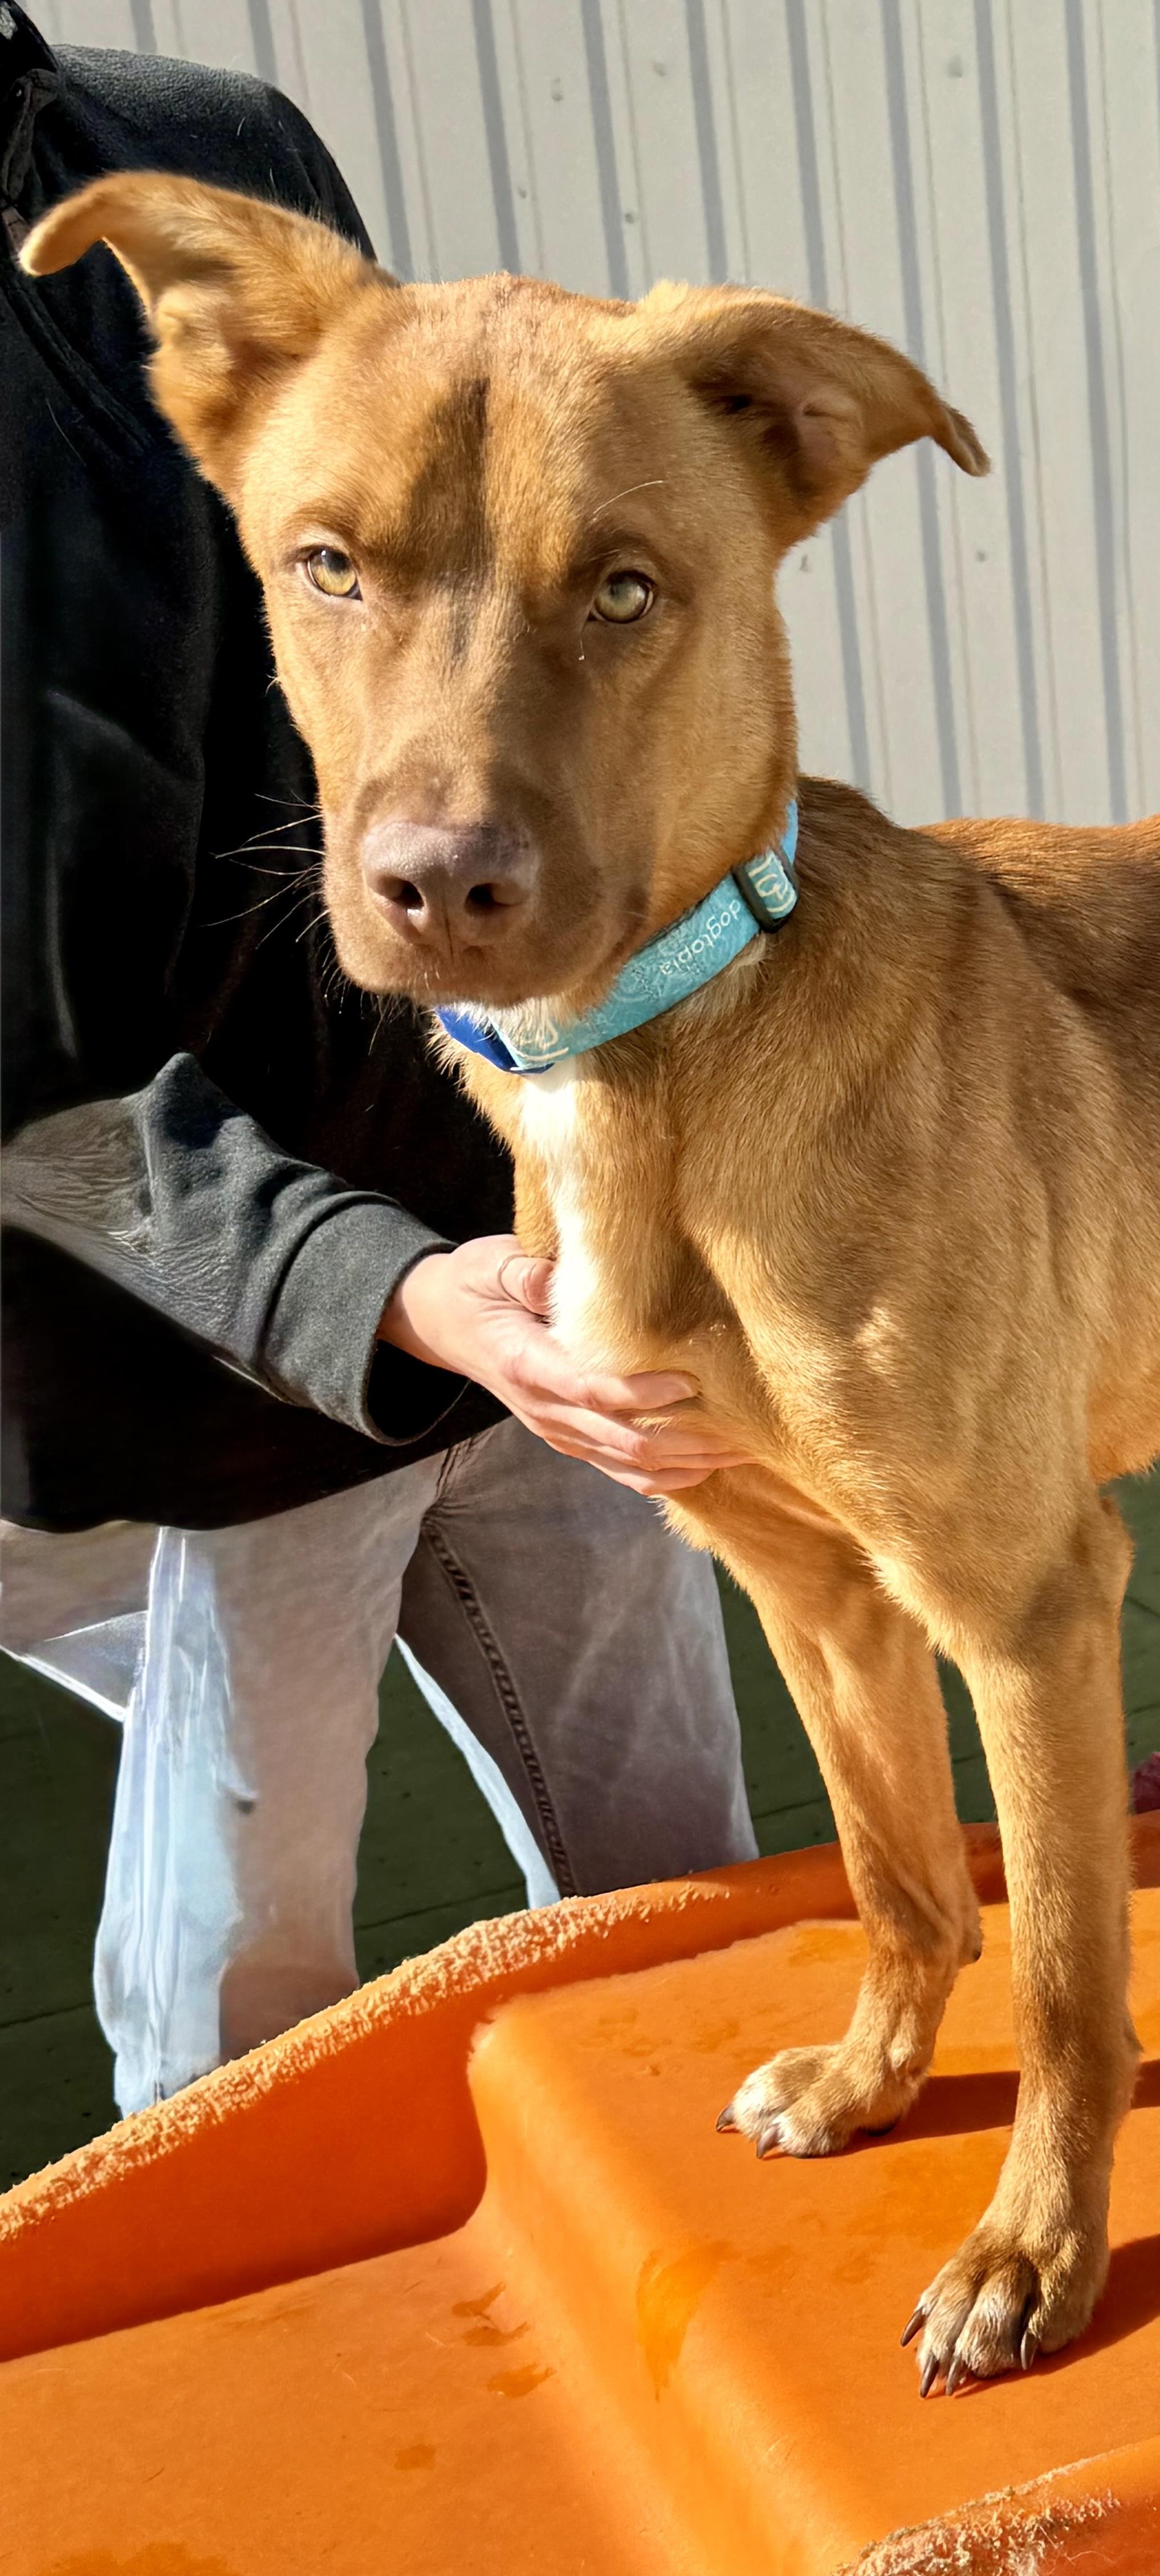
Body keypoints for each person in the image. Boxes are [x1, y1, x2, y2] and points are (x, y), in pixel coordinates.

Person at [0, 9, 759, 2116]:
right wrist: (386, 1292)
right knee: (254, 1989)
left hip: (490, 1214)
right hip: (185, 1315)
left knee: (681, 1865)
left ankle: (741, 2264)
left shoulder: (204, 149)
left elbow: (452, 587)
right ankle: (262, 2368)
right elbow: (30, 1098)